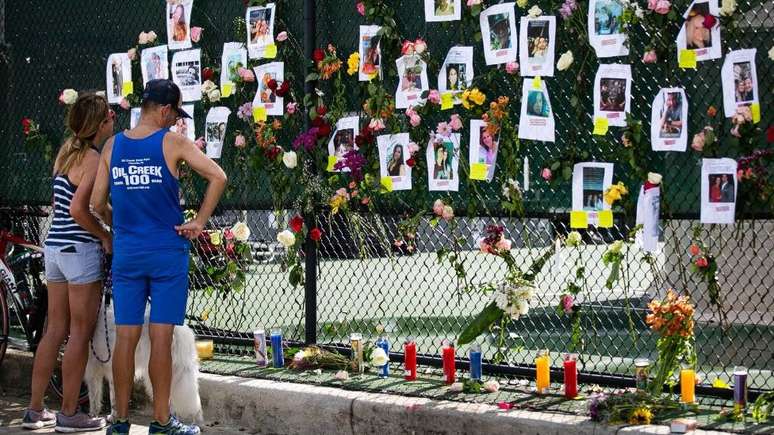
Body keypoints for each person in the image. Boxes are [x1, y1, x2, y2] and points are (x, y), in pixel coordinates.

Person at [92, 79, 227, 435]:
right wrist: (199, 221)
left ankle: (119, 422)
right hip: (167, 253)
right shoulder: (172, 143)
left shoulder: (112, 146)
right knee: (162, 340)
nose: (176, 121)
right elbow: (218, 176)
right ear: (165, 109)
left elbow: (95, 203)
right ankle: (162, 422)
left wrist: (120, 225)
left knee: (125, 339)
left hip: (128, 253)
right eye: (175, 114)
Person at [23, 93, 114, 431]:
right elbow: (79, 209)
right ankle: (70, 413)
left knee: (55, 330)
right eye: (110, 116)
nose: (114, 119)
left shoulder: (66, 151)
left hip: (55, 248)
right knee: (79, 333)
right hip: (79, 250)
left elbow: (65, 203)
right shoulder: (92, 158)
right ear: (100, 125)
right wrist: (105, 235)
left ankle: (35, 410)